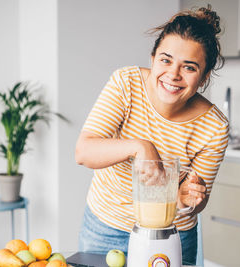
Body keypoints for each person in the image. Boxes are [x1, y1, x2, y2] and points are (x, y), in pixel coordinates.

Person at [75, 5, 229, 265]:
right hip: (105, 229)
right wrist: (139, 146)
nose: (173, 74)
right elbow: (84, 152)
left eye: (189, 67)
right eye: (165, 60)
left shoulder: (214, 126)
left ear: (203, 78)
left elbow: (196, 202)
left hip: (172, 235)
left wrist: (186, 198)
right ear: (152, 58)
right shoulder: (126, 84)